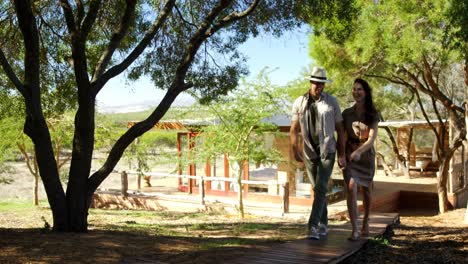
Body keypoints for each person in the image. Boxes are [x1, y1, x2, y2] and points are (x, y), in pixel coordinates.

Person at [290, 66, 346, 240]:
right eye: (316, 82)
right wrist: (295, 149)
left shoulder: (332, 102)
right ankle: (324, 224)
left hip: (328, 150)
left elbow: (341, 130)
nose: (318, 86)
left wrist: (342, 154)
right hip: (309, 152)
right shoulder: (299, 102)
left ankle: (312, 226)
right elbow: (293, 129)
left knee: (321, 186)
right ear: (310, 82)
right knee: (318, 189)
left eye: (321, 83)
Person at [342, 78, 379, 241]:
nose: (356, 92)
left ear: (366, 92)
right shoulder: (346, 113)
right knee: (351, 187)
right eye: (354, 89)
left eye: (360, 89)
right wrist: (341, 155)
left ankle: (365, 222)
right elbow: (342, 137)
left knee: (367, 190)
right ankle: (355, 228)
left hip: (366, 156)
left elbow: (371, 139)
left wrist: (360, 151)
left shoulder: (373, 113)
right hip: (350, 154)